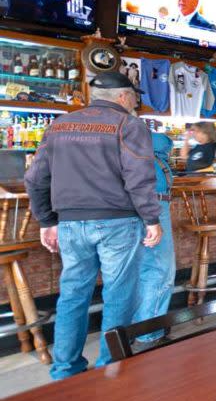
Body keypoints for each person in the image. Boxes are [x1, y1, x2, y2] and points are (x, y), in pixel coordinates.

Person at [25, 71, 162, 380]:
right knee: (119, 293)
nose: (135, 101)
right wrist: (152, 218)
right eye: (135, 97)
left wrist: (48, 221)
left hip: (71, 225)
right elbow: (139, 178)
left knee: (72, 294)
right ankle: (109, 367)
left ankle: (64, 369)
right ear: (125, 97)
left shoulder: (59, 125)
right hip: (118, 223)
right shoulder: (129, 124)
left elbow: (35, 179)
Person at [133, 130, 176, 344]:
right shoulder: (154, 150)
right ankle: (148, 333)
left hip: (123, 211)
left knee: (139, 270)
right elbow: (161, 142)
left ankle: (133, 328)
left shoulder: (124, 150)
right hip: (154, 206)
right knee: (159, 269)